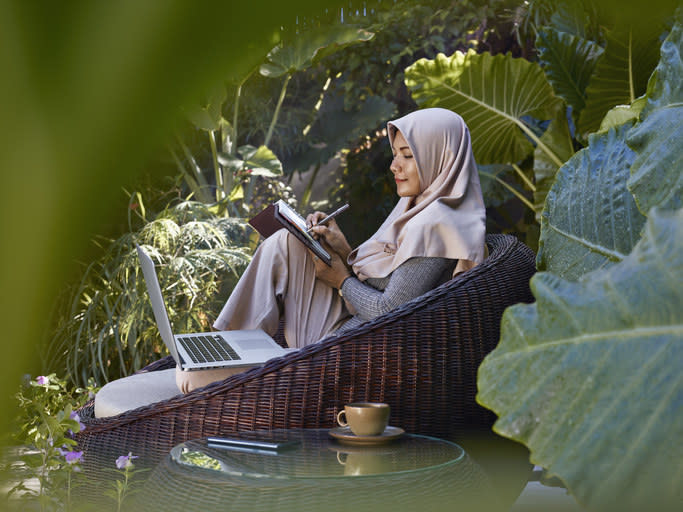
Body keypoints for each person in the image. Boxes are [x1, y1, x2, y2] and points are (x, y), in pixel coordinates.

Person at [175, 107, 487, 393]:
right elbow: (390, 282)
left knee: (190, 378)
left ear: (439, 156)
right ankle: (227, 346)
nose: (394, 166)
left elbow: (391, 312)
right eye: (395, 154)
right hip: (349, 327)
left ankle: (225, 357)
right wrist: (343, 249)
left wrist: (341, 280)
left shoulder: (437, 225)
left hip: (353, 353)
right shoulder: (420, 208)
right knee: (287, 241)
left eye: (407, 156)